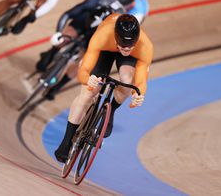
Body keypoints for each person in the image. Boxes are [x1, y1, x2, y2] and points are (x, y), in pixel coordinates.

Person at [54, 13, 154, 163]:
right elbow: (83, 71)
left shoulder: (145, 46)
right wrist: (89, 79)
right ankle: (66, 141)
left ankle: (111, 111)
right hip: (105, 49)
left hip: (127, 55)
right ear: (116, 37)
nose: (126, 49)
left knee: (127, 80)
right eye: (123, 45)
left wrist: (139, 94)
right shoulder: (103, 35)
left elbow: (140, 81)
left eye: (130, 45)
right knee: (88, 93)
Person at [36, 0, 149, 100]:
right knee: (71, 31)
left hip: (111, 27)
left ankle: (57, 87)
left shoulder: (137, 13)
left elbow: (122, 36)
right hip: (96, 15)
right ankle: (52, 52)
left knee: (85, 60)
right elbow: (92, 6)